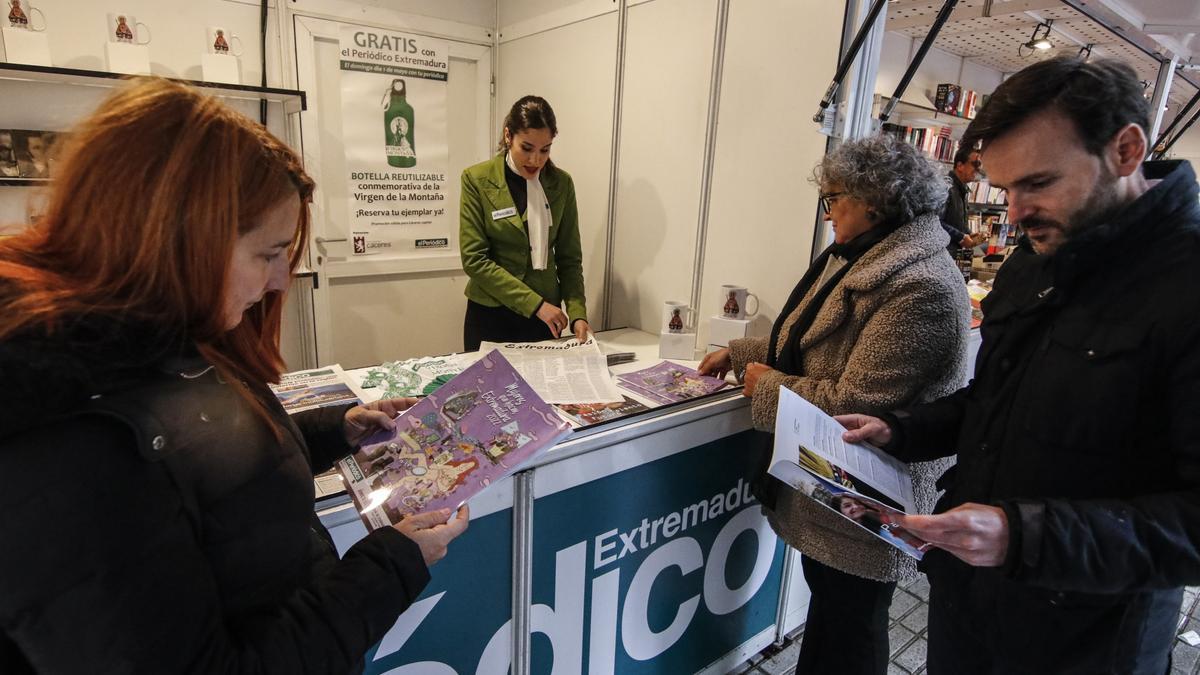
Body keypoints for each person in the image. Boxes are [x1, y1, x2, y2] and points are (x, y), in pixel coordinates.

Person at [0, 79, 469, 673]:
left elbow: (205, 461)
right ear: (177, 240)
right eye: (268, 254)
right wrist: (392, 563)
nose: (279, 283)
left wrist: (334, 429)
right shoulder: (67, 440)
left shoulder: (155, 335)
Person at [836, 56, 1200, 675]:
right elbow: (994, 400)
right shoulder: (1035, 259)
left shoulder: (1186, 288)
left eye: (1037, 183)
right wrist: (901, 429)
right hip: (971, 603)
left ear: (1127, 150)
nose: (1016, 211)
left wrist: (1023, 535)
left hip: (1088, 638)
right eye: (1005, 189)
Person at [699, 135, 970, 675]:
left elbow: (857, 406)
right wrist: (742, 352)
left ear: (873, 200)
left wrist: (767, 384)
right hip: (837, 494)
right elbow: (813, 345)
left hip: (873, 500)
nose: (827, 215)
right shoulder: (864, 253)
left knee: (852, 625)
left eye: (833, 199)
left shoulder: (923, 286)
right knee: (832, 612)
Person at [459, 95, 589, 351]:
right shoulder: (476, 179)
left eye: (545, 149)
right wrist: (537, 305)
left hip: (544, 319)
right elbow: (474, 259)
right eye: (527, 148)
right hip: (491, 313)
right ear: (509, 136)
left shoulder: (561, 184)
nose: (536, 160)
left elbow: (569, 259)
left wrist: (577, 313)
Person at [940, 145, 983, 250]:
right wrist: (961, 237)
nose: (978, 169)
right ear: (960, 166)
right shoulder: (946, 187)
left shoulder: (961, 189)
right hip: (943, 253)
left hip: (952, 253)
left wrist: (969, 234)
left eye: (980, 165)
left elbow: (955, 222)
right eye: (975, 164)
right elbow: (935, 222)